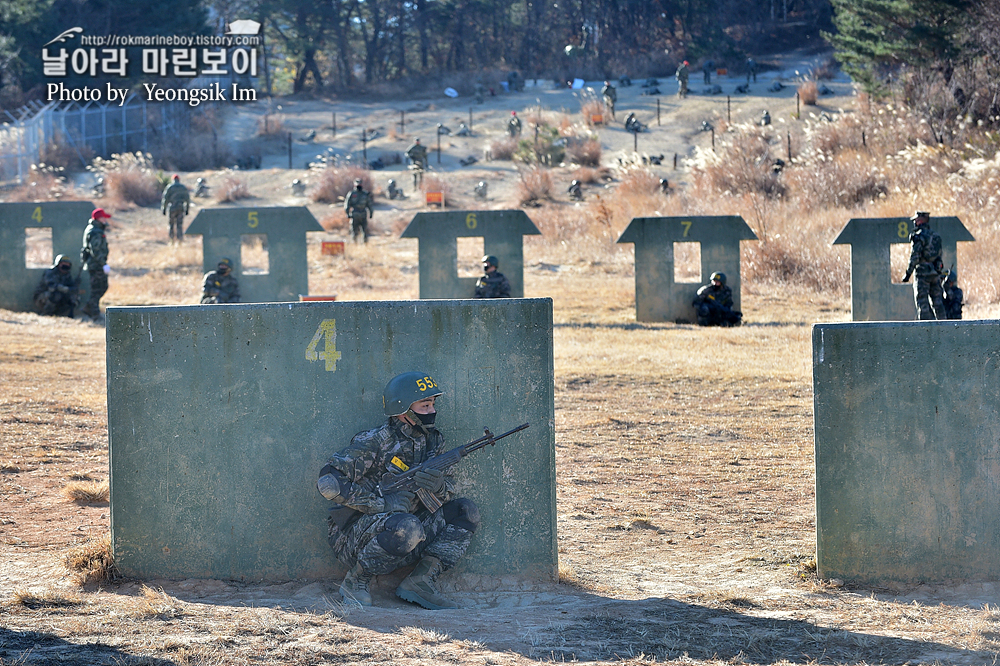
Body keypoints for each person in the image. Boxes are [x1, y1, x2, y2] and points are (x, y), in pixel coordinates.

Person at [318, 371, 481, 609]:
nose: (432, 411)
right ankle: (357, 579)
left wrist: (438, 487)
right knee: (407, 526)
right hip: (357, 537)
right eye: (424, 405)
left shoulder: (433, 441)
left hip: (408, 530)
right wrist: (380, 504)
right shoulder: (376, 441)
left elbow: (448, 490)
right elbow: (329, 483)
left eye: (433, 404)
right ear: (403, 410)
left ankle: (420, 581)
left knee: (466, 511)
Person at [902, 211, 945, 320]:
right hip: (935, 274)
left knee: (923, 302)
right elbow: (939, 256)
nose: (915, 222)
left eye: (916, 220)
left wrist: (908, 274)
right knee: (938, 303)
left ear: (920, 221)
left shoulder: (918, 236)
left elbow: (915, 257)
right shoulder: (936, 236)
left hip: (922, 274)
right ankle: (945, 327)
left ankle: (926, 331)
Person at [80, 208, 111, 321]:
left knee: (100, 287)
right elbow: (96, 251)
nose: (105, 220)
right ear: (99, 218)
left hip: (96, 264)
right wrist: (103, 264)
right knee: (98, 288)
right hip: (96, 265)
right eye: (104, 218)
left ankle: (91, 309)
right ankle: (94, 313)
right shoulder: (95, 231)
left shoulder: (95, 229)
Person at [161, 174, 190, 244]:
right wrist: (187, 209)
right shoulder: (183, 187)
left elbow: (165, 199)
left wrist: (164, 209)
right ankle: (180, 240)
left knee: (171, 224)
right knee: (179, 225)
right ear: (179, 179)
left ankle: (171, 240)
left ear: (173, 179)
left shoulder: (169, 187)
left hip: (172, 208)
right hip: (180, 208)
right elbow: (187, 199)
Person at [344, 178, 374, 243]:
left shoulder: (365, 194)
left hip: (362, 214)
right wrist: (347, 213)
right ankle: (355, 244)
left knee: (364, 230)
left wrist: (371, 213)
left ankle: (365, 244)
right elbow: (347, 204)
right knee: (354, 231)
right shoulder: (351, 194)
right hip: (355, 214)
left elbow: (369, 204)